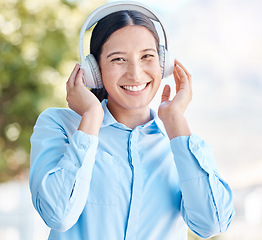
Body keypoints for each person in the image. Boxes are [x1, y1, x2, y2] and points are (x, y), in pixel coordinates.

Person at [29, 3, 234, 240]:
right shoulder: (59, 125)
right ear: (94, 69)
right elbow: (58, 215)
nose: (135, 74)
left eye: (147, 56)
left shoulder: (179, 143)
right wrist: (92, 118)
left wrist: (175, 121)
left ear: (163, 62)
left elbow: (212, 225)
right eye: (118, 59)